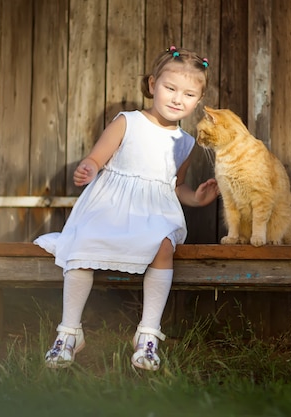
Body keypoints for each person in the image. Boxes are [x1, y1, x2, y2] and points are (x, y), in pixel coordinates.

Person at [34, 46, 219, 371]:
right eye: (170, 88)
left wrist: (197, 198)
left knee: (164, 245)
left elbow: (176, 186)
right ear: (152, 85)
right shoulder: (128, 122)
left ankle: (147, 335)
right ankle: (69, 331)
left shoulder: (185, 143)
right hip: (110, 207)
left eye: (189, 94)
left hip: (154, 213)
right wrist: (89, 168)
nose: (178, 99)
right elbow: (97, 157)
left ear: (198, 100)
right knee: (82, 244)